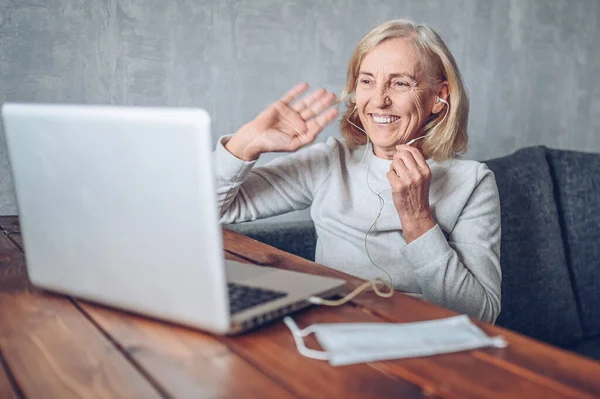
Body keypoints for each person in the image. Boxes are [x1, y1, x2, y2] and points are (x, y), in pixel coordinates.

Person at [213, 19, 501, 323]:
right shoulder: (330, 161)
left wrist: (417, 220)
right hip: (334, 326)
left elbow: (482, 314)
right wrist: (245, 144)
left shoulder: (473, 182)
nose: (378, 100)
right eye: (367, 81)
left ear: (439, 99)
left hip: (423, 337)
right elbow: (214, 209)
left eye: (400, 83)